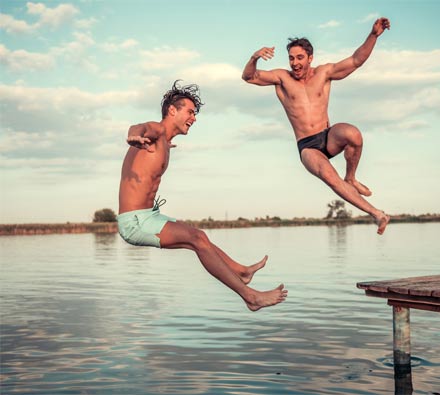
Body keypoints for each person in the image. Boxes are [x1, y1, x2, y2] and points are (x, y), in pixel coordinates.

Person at [117, 81, 287, 311]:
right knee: (196, 239)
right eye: (190, 112)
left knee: (200, 238)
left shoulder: (165, 142)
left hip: (150, 215)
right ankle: (250, 297)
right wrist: (133, 136)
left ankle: (241, 272)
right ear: (172, 110)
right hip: (135, 222)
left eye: (194, 113)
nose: (194, 118)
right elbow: (139, 127)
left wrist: (163, 145)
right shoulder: (156, 131)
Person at [242, 17, 391, 235]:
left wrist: (373, 35)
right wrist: (255, 57)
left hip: (328, 135)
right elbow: (248, 76)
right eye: (291, 58)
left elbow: (356, 60)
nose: (295, 63)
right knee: (331, 177)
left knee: (354, 134)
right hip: (308, 146)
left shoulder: (324, 73)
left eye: (300, 57)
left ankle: (351, 177)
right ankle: (377, 214)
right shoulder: (282, 78)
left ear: (310, 58)